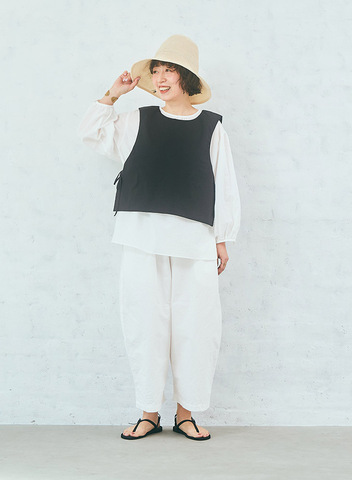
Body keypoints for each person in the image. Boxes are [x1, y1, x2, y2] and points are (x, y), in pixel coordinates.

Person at [77, 34, 240, 441]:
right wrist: (112, 95)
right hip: (142, 236)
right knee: (144, 323)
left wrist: (222, 237)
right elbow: (91, 133)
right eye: (156, 71)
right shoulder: (137, 120)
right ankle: (148, 412)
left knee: (196, 326)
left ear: (187, 77)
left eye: (169, 70)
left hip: (194, 238)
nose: (161, 78)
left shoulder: (211, 127)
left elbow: (224, 183)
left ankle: (186, 414)